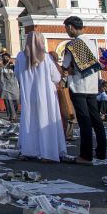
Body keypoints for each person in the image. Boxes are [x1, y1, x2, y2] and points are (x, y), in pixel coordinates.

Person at [62, 16, 106, 164]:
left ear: (71, 27)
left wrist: (69, 69)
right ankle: (101, 151)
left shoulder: (73, 45)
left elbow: (65, 65)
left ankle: (85, 156)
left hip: (79, 86)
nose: (67, 31)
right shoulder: (92, 42)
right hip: (92, 86)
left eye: (67, 28)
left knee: (84, 121)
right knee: (96, 119)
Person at [15, 31, 66, 162]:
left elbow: (17, 75)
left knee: (30, 122)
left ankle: (29, 150)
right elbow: (56, 77)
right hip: (46, 96)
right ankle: (48, 153)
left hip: (29, 94)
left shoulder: (21, 57)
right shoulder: (46, 57)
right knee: (46, 121)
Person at [0, 53, 19, 123]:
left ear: (9, 58)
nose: (5, 58)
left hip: (13, 86)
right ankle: (12, 116)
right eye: (4, 57)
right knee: (9, 102)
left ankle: (14, 114)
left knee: (16, 101)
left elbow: (17, 70)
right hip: (5, 86)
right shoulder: (1, 65)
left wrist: (13, 65)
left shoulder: (12, 65)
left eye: (7, 57)